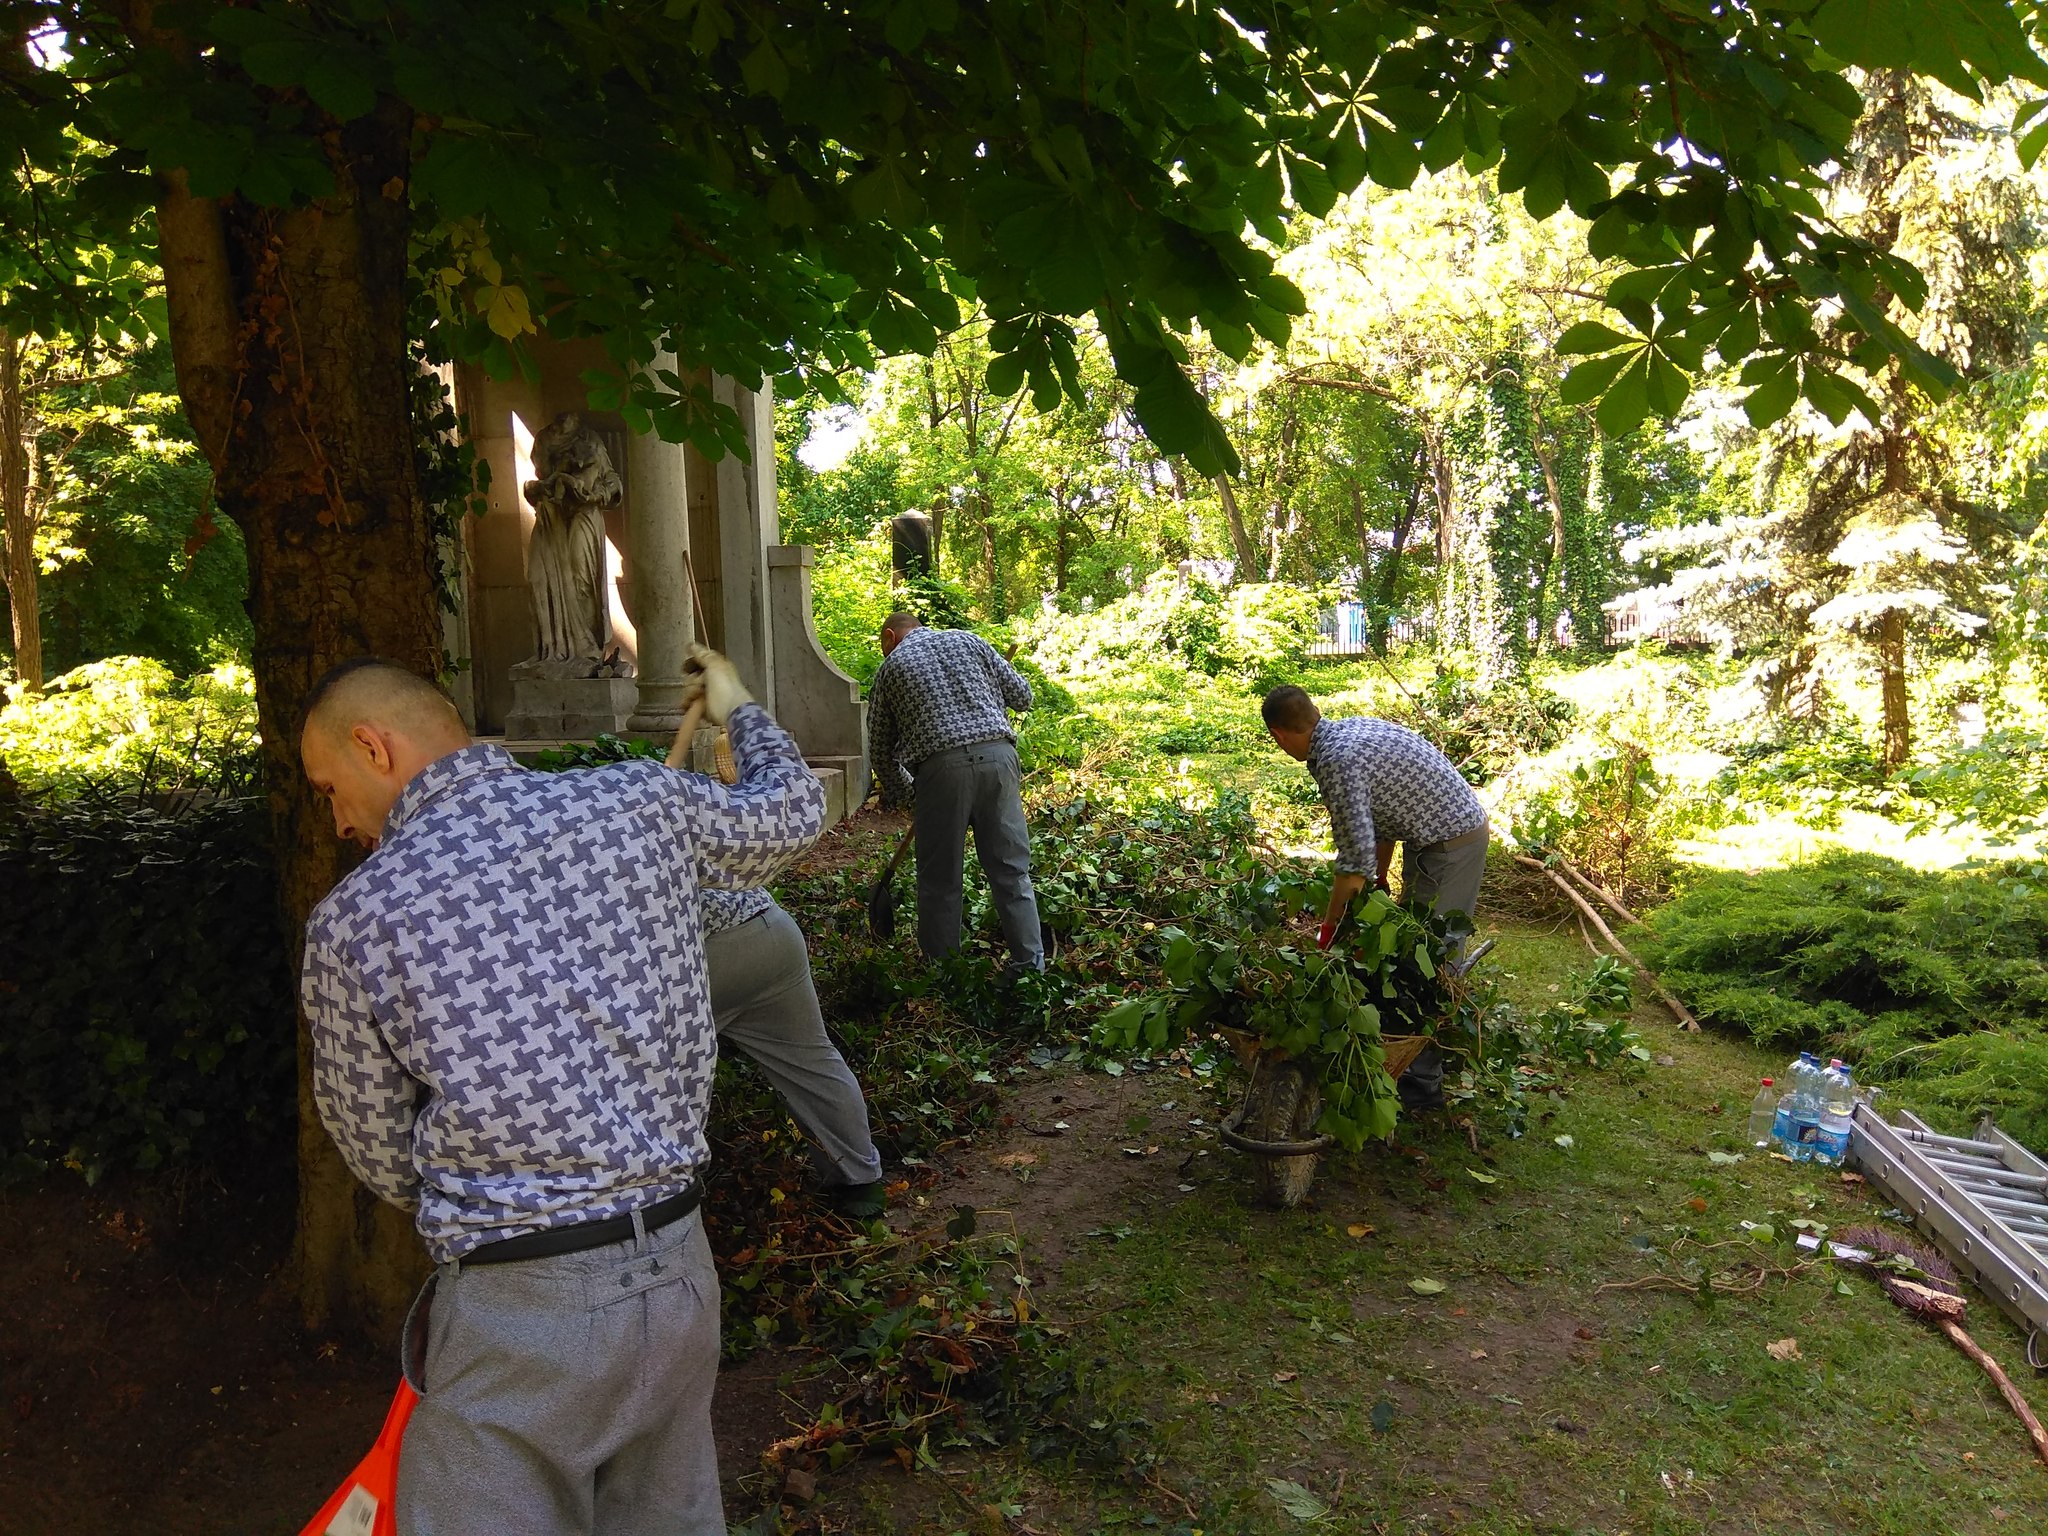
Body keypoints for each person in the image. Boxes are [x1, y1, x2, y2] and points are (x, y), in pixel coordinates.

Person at [299, 646, 823, 1536]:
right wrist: (737, 709)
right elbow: (793, 811)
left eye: (328, 788)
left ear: (373, 747)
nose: (338, 820)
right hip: (678, 1279)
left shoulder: (356, 920)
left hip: (517, 1319)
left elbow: (379, 1149)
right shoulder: (634, 802)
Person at [1261, 684, 1489, 1110]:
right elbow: (1376, 824)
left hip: (1453, 843)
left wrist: (1329, 931)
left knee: (1429, 961)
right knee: (1409, 947)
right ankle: (1405, 1059)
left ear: (1278, 734)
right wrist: (1379, 881)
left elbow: (1352, 864)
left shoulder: (1335, 760)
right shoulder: (1346, 732)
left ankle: (1422, 1087)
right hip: (1432, 837)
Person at [866, 611, 1043, 971]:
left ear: (890, 636)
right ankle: (1031, 968)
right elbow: (1023, 697)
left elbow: (880, 750)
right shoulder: (969, 640)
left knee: (940, 879)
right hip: (999, 759)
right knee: (1012, 871)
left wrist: (907, 792)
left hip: (940, 770)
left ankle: (944, 974)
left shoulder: (890, 669)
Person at [700, 885, 886, 1218]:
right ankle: (861, 1183)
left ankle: (654, 1204)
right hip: (771, 929)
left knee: (649, 1076)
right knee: (814, 1060)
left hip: (707, 958)